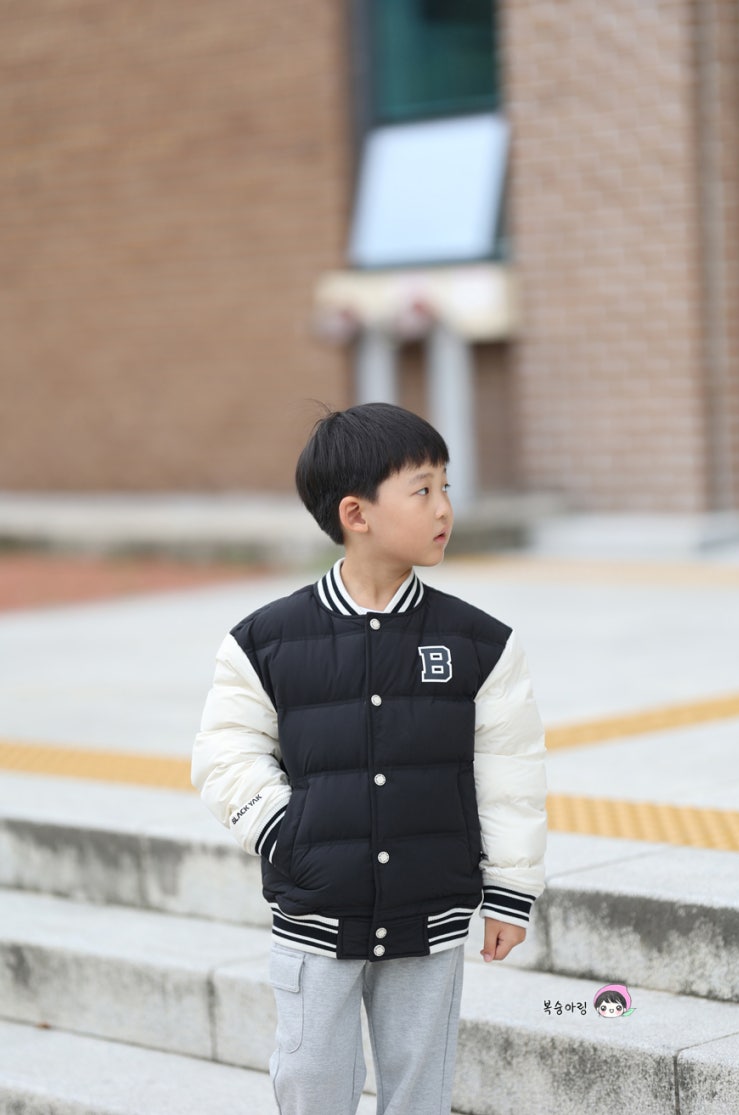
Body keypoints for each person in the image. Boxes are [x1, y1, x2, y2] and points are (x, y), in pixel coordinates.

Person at [192, 402, 547, 1115]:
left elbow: (510, 772)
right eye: (422, 489)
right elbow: (224, 753)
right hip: (316, 912)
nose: (444, 507)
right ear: (356, 513)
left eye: (445, 486)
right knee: (311, 1082)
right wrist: (286, 834)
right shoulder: (266, 640)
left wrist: (511, 890)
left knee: (419, 1090)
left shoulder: (480, 643)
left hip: (430, 909)